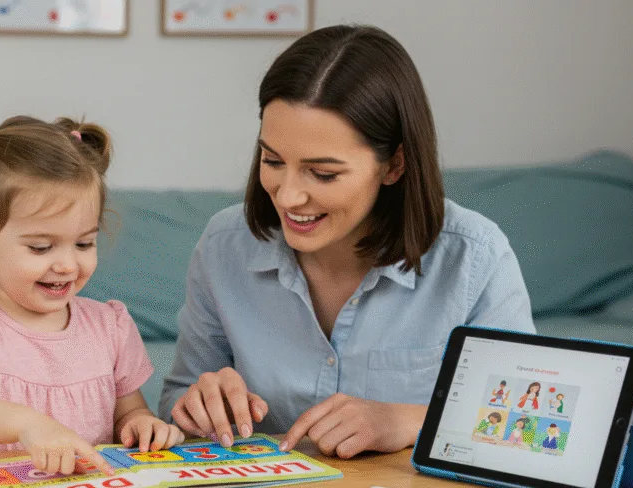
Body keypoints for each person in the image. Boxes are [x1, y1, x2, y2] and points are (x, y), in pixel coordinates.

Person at [159, 24, 534, 459]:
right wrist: (196, 407)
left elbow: (525, 429)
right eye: (273, 161)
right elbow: (176, 403)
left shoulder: (475, 256)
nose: (288, 195)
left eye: (323, 174)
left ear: (394, 165)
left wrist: (408, 420)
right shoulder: (224, 246)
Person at [0, 109, 184, 476]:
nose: (68, 265)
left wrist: (140, 426)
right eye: (41, 248)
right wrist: (26, 423)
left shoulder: (111, 326)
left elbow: (129, 413)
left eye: (84, 243)